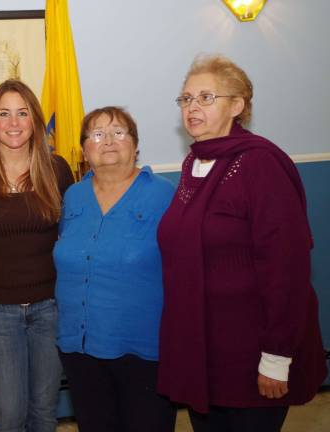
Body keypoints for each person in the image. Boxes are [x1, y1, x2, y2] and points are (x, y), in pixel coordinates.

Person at [157, 54, 328, 432]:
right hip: (207, 352)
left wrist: (276, 357)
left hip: (253, 353)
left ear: (237, 106)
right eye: (186, 99)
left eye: (205, 97)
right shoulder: (195, 163)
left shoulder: (260, 164)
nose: (192, 108)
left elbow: (288, 266)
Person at [53, 106, 177, 432]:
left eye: (118, 132)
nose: (108, 141)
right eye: (97, 134)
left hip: (143, 351)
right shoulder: (73, 196)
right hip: (80, 347)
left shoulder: (164, 195)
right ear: (84, 149)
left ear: (135, 145)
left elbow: (184, 271)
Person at [0, 79, 74, 432]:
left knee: (43, 412)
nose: (13, 123)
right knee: (9, 415)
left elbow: (75, 238)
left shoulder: (57, 170)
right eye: (4, 114)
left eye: (22, 113)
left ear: (35, 121)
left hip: (51, 309)